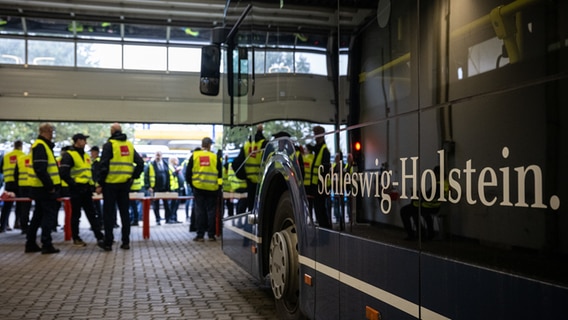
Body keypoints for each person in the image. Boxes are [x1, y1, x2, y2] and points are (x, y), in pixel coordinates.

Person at [96, 123, 144, 251]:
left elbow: (104, 165)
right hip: (125, 185)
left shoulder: (109, 145)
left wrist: (100, 182)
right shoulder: (128, 145)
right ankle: (126, 242)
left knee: (109, 214)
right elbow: (140, 163)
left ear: (112, 132)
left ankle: (108, 242)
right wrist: (133, 176)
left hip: (110, 185)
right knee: (125, 214)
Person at [59, 133, 104, 246]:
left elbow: (88, 174)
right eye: (83, 140)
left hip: (87, 189)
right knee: (76, 215)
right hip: (76, 189)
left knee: (92, 214)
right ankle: (76, 238)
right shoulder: (69, 155)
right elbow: (63, 173)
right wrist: (73, 185)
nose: (86, 142)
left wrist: (94, 186)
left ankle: (99, 237)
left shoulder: (85, 156)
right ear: (77, 141)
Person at [25, 123, 61, 254]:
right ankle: (46, 244)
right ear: (46, 131)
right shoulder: (41, 146)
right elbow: (40, 169)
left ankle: (30, 243)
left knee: (37, 217)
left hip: (39, 188)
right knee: (48, 217)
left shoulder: (40, 145)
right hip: (44, 189)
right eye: (51, 132)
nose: (52, 135)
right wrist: (50, 186)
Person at [185, 137, 222, 242]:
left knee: (199, 211)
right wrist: (219, 187)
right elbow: (220, 174)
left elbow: (188, 173)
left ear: (202, 144)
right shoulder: (214, 157)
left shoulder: (195, 156)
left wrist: (192, 185)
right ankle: (211, 235)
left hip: (198, 188)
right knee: (211, 211)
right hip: (212, 189)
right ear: (209, 145)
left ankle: (200, 235)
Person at [400, 166, 448, 240]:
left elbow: (428, 196)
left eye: (435, 175)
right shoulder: (445, 184)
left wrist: (417, 193)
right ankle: (426, 233)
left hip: (429, 206)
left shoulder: (439, 185)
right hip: (434, 206)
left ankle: (412, 234)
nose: (434, 177)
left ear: (438, 175)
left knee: (404, 211)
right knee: (415, 210)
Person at [232, 124, 267, 213]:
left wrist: (244, 176)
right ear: (262, 131)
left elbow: (237, 163)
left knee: (251, 207)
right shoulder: (265, 144)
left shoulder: (246, 146)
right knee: (263, 208)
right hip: (263, 182)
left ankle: (251, 225)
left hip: (250, 182)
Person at [0, 140, 25, 232]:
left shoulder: (6, 156)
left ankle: (3, 225)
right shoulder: (22, 156)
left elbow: (1, 169)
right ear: (21, 146)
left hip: (9, 183)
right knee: (20, 204)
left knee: (7, 205)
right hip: (19, 183)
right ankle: (17, 223)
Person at [309, 126, 331, 229]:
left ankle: (325, 234)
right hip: (316, 186)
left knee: (321, 211)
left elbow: (325, 171)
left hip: (320, 187)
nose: (314, 136)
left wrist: (321, 187)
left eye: (315, 134)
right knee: (318, 211)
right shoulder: (318, 149)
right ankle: (324, 234)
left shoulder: (324, 151)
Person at [146, 151, 171, 225]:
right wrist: (148, 186)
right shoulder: (151, 165)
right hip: (155, 188)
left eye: (159, 155)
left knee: (166, 204)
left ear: (161, 156)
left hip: (165, 188)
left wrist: (168, 188)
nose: (158, 157)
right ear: (154, 156)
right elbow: (146, 176)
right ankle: (158, 219)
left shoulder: (165, 164)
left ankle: (167, 219)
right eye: (157, 155)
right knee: (156, 205)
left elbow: (168, 176)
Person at [89, 146, 103, 228]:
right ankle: (96, 223)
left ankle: (100, 223)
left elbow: (98, 175)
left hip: (97, 186)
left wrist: (98, 185)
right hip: (92, 186)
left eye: (92, 152)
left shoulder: (99, 162)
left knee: (97, 206)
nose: (91, 154)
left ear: (96, 152)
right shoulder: (92, 162)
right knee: (94, 206)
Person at [168, 157, 183, 223]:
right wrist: (176, 171)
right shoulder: (170, 167)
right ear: (172, 160)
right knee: (172, 204)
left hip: (177, 188)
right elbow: (172, 175)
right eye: (176, 160)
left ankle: (175, 218)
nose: (178, 161)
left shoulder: (175, 167)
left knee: (176, 204)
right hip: (172, 188)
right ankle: (171, 218)